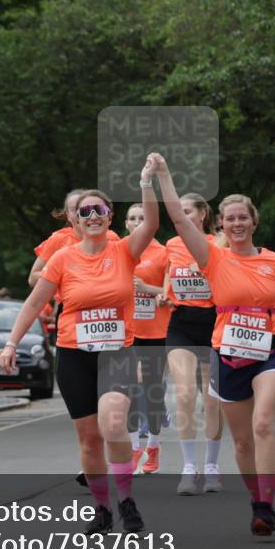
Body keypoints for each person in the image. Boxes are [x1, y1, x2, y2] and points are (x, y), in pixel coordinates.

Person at [156, 156, 275, 536]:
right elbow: (181, 220)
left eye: (242, 217)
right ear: (220, 224)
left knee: (264, 422)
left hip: (272, 349)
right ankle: (255, 498)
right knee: (243, 442)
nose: (236, 223)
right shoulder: (211, 258)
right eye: (229, 218)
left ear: (254, 222)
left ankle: (266, 505)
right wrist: (165, 176)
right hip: (228, 354)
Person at [0, 162, 159, 535]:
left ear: (109, 216)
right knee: (89, 439)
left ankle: (127, 501)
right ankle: (102, 508)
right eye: (84, 211)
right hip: (73, 354)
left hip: (116, 352)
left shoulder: (123, 250)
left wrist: (146, 183)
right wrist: (11, 342)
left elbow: (150, 222)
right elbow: (33, 303)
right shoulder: (62, 258)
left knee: (114, 423)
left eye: (98, 210)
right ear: (76, 220)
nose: (92, 216)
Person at [162, 192, 224, 495]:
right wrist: (161, 292)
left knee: (212, 399)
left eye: (187, 211)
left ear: (202, 214)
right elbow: (162, 273)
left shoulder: (218, 244)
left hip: (214, 323)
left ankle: (212, 466)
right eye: (178, 211)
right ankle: (188, 467)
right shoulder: (171, 245)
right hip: (181, 325)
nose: (181, 216)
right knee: (185, 394)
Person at [123, 202, 170, 475]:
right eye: (133, 218)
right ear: (126, 224)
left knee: (151, 391)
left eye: (143, 217)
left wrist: (148, 289)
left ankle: (153, 446)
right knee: (127, 390)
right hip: (125, 332)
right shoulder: (118, 250)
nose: (138, 221)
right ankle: (133, 448)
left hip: (156, 332)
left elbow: (170, 293)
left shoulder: (164, 253)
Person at [27, 190, 121, 288]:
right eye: (75, 210)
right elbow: (33, 278)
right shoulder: (58, 239)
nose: (79, 214)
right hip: (68, 301)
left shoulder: (111, 237)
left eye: (85, 209)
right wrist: (68, 277)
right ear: (67, 216)